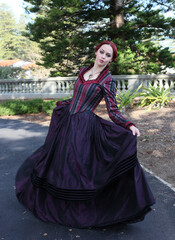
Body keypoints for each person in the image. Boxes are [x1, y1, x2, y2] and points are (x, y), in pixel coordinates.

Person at [15, 41, 155, 228]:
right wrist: (65, 104)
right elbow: (77, 96)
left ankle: (79, 211)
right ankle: (54, 205)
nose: (103, 57)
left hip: (83, 128)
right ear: (96, 51)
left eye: (108, 56)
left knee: (75, 167)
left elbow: (113, 111)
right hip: (67, 122)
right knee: (59, 163)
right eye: (102, 52)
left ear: (111, 60)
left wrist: (128, 124)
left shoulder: (107, 80)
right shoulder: (83, 71)